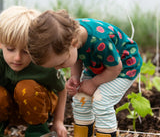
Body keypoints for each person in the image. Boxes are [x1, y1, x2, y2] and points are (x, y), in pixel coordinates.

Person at [28, 9, 143, 137]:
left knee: (101, 102)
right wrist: (75, 76)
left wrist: (93, 83)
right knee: (80, 98)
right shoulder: (67, 34)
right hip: (97, 64)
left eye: (60, 63)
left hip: (124, 67)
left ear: (74, 43)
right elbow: (75, 56)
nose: (57, 68)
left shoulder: (100, 40)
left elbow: (115, 68)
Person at [0, 6, 67, 137]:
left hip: (37, 109)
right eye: (11, 49)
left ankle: (38, 131)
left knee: (26, 88)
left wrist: (58, 121)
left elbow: (62, 89)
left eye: (26, 51)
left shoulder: (44, 65)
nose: (17, 58)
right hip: (9, 110)